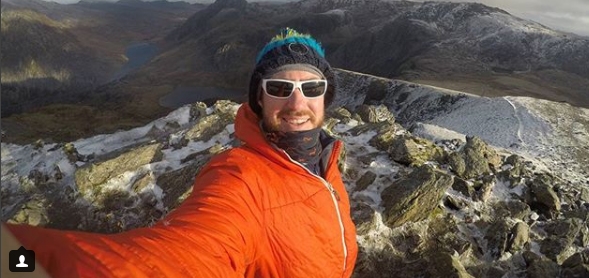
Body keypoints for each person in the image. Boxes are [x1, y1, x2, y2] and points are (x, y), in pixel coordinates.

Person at [4, 28, 358, 278]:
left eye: (312, 87)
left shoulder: (325, 161)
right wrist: (21, 256)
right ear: (259, 99)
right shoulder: (240, 178)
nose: (297, 103)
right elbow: (187, 256)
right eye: (279, 88)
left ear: (325, 97)